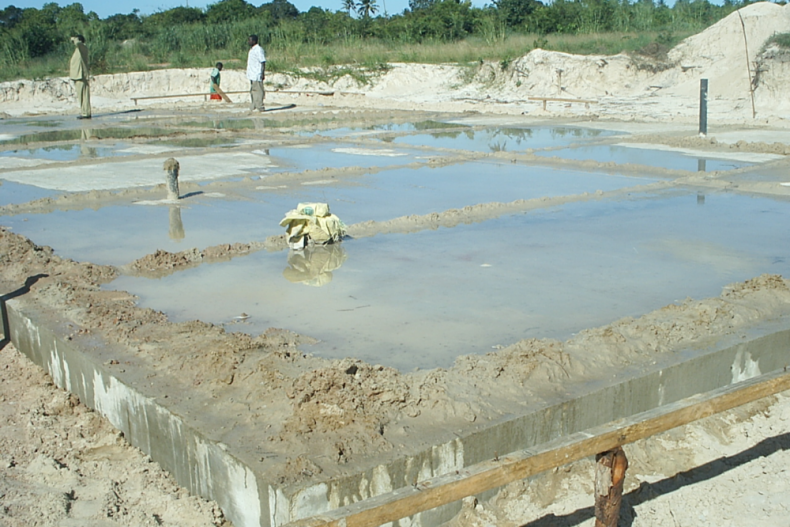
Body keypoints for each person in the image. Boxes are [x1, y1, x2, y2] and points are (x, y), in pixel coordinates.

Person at [69, 35, 91, 120]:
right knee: (83, 96)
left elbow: (78, 43)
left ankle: (85, 113)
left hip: (80, 76)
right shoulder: (79, 49)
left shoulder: (82, 48)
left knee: (83, 96)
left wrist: (74, 39)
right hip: (79, 76)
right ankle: (85, 112)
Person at [246, 35, 266, 112]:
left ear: (254, 41)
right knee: (253, 90)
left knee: (259, 91)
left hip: (257, 74)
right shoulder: (252, 50)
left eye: (250, 40)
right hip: (251, 74)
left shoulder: (258, 50)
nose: (249, 42)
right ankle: (254, 105)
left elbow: (263, 61)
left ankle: (260, 106)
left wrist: (262, 73)